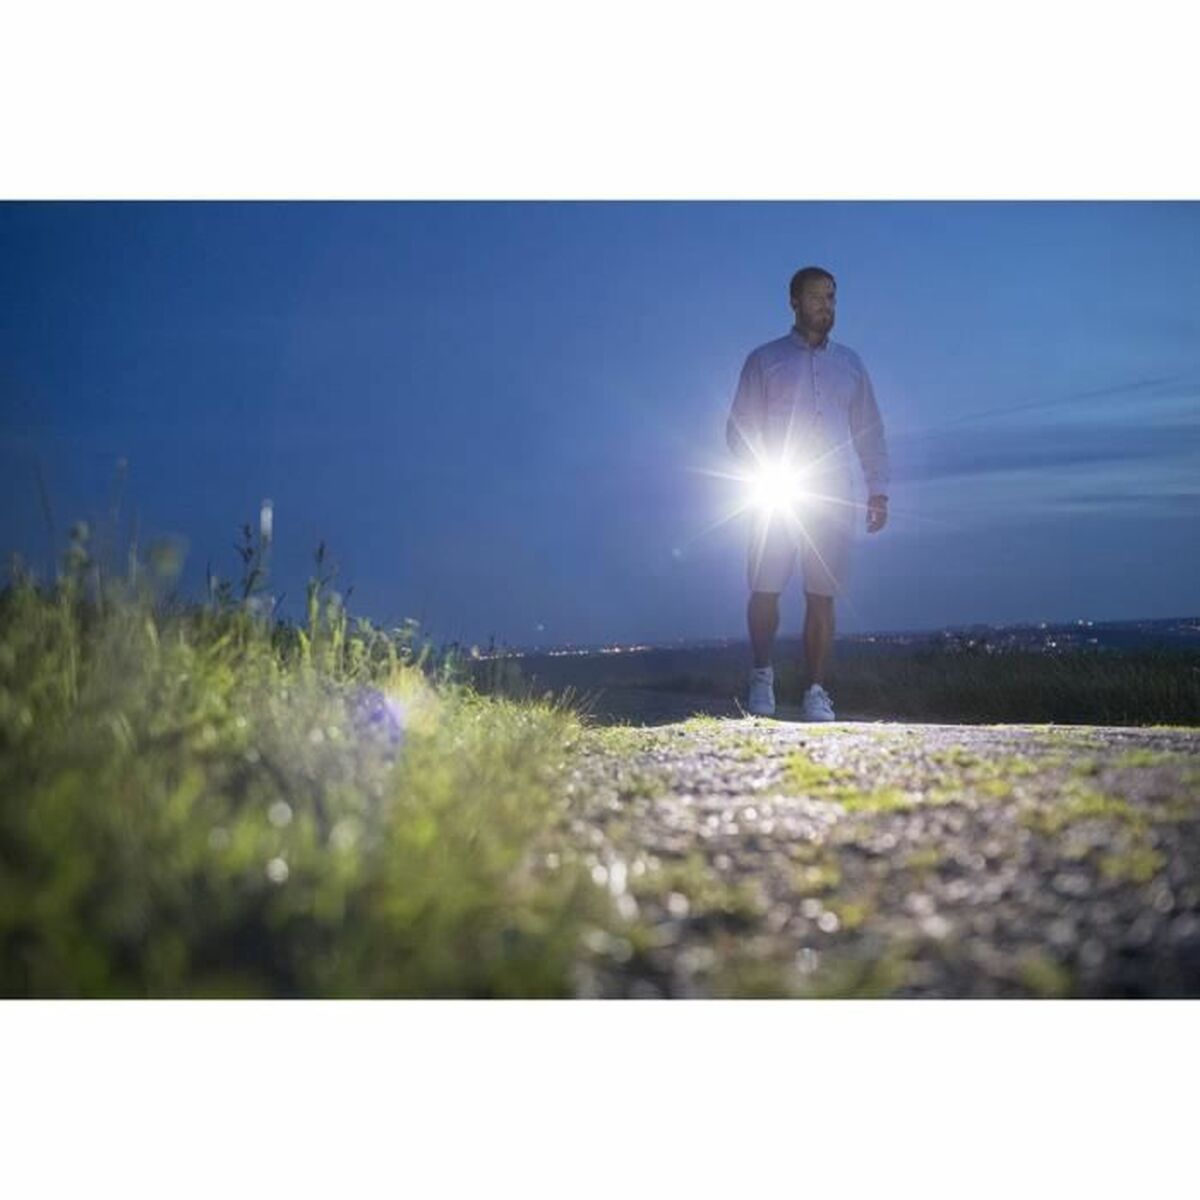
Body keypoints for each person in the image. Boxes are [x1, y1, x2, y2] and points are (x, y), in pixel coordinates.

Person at [726, 266, 889, 720]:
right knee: (765, 588)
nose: (826, 305)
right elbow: (739, 428)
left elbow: (870, 431)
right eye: (816, 297)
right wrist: (759, 468)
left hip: (831, 494)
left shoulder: (851, 364)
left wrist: (878, 490)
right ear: (794, 301)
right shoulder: (764, 360)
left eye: (832, 297)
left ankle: (816, 690)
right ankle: (762, 675)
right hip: (777, 488)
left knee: (822, 594)